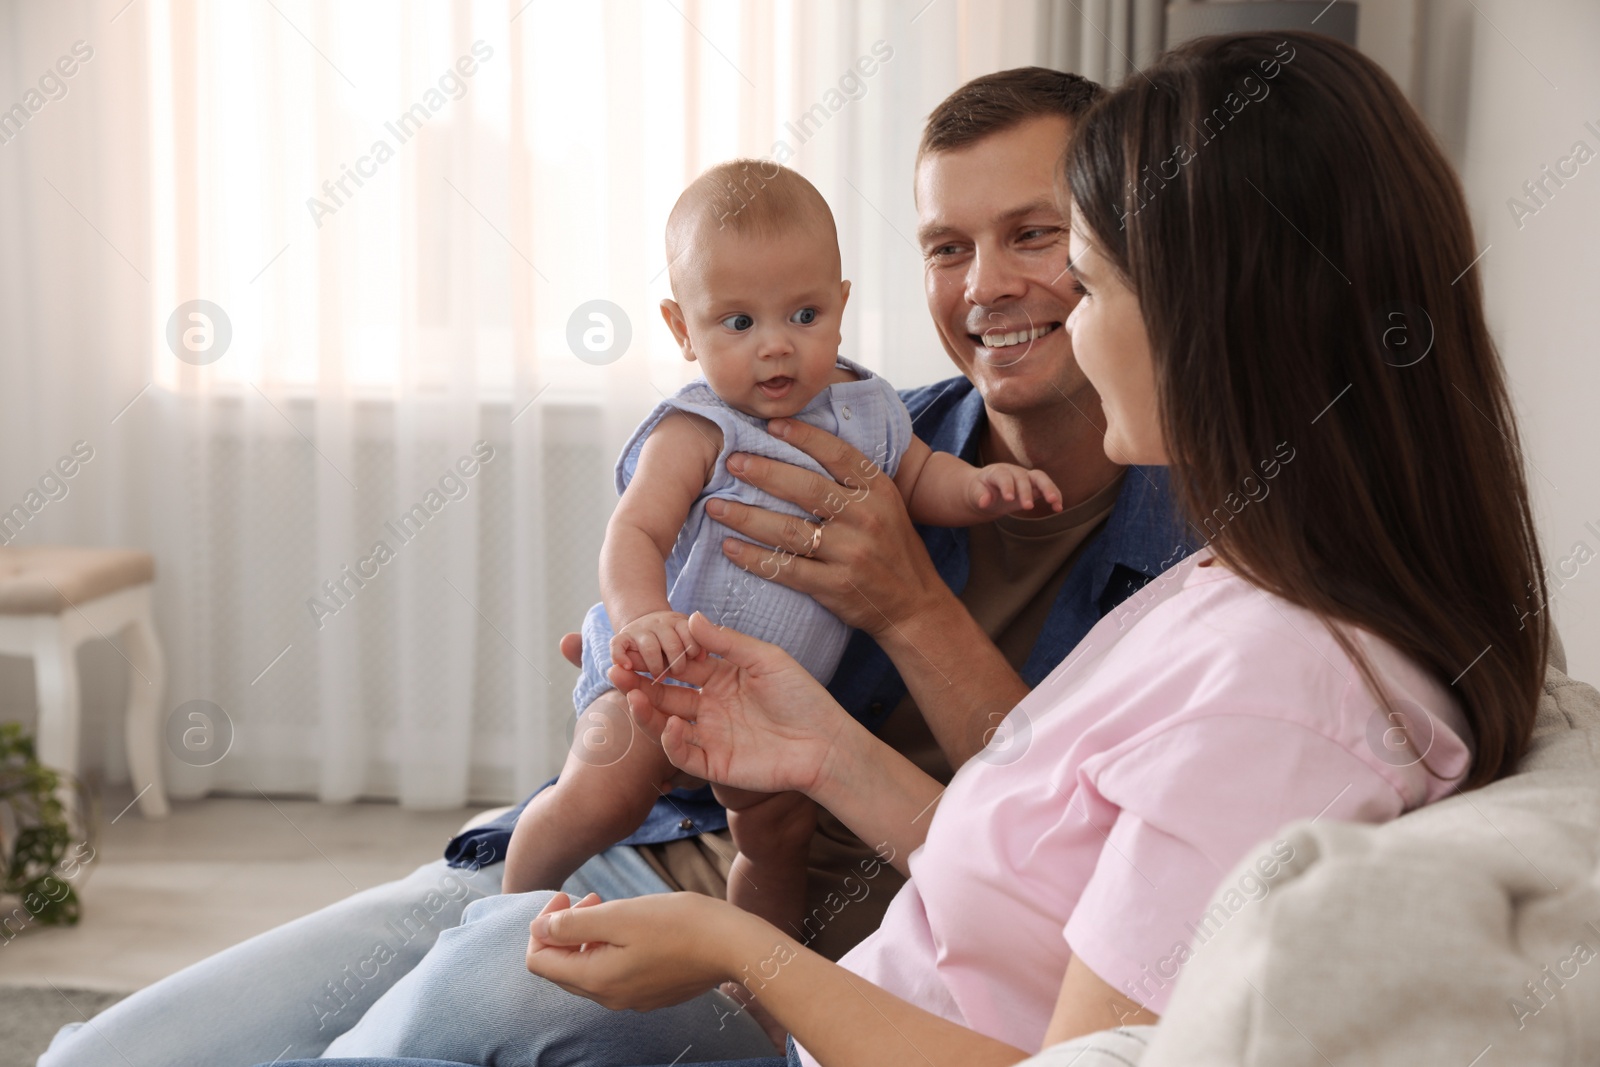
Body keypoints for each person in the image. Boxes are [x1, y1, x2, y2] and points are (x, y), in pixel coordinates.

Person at [41, 67, 1184, 1067]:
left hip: (810, 946)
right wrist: (637, 646)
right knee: (115, 1051)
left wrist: (907, 602)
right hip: (638, 837)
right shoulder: (872, 424)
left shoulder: (1202, 555)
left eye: (1032, 234)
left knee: (439, 1008)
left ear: (1117, 248)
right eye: (946, 245)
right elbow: (664, 555)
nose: (983, 285)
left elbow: (1062, 868)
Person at [487, 28, 1549, 1067]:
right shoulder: (1241, 582)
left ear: (1204, 316)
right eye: (949, 246)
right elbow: (1041, 877)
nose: (1023, 304)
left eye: (1084, 276)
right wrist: (813, 740)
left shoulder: (1274, 690)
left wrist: (735, 944)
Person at [503, 158, 1063, 947]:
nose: (774, 349)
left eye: (802, 315)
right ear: (680, 330)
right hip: (663, 663)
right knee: (606, 792)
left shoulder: (872, 411)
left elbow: (924, 477)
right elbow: (634, 534)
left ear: (840, 305)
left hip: (772, 702)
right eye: (738, 323)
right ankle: (507, 905)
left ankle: (758, 980)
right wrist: (643, 618)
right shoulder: (698, 428)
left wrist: (981, 489)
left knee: (775, 839)